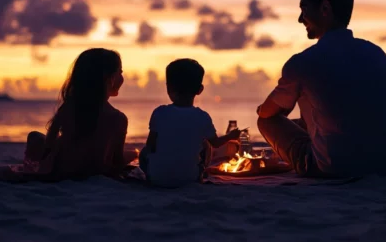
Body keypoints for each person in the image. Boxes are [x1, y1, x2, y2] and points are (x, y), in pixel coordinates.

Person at [256, 0, 386, 178]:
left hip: (333, 167)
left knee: (266, 122)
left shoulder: (302, 62)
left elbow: (266, 114)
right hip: (385, 165)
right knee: (314, 117)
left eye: (304, 9)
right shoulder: (379, 55)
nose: (300, 19)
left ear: (325, 9)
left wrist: (264, 109)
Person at [21, 48, 135, 180]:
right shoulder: (119, 118)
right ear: (109, 78)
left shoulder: (69, 106)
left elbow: (50, 141)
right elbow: (117, 160)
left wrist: (45, 162)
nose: (122, 77)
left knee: (34, 136)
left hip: (63, 167)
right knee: (134, 154)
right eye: (120, 72)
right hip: (94, 170)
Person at [139, 58, 242, 188]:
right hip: (189, 178)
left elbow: (151, 145)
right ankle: (200, 175)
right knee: (207, 145)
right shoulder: (203, 117)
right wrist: (230, 136)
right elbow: (215, 143)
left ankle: (151, 175)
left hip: (157, 179)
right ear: (200, 89)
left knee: (144, 152)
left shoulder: (159, 112)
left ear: (168, 87)